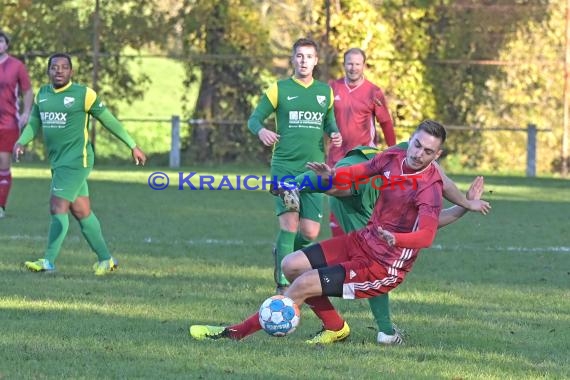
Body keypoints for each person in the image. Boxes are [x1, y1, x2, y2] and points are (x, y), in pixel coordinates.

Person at [189, 120, 486, 344]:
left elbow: (426, 235)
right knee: (291, 265)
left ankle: (235, 333)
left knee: (303, 284)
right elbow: (359, 172)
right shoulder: (393, 158)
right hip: (362, 241)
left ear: (438, 154)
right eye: (417, 145)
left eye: (428, 151)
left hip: (382, 266)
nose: (419, 154)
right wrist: (333, 175)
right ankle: (335, 327)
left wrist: (400, 238)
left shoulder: (428, 189)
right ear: (411, 140)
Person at [274, 143, 489, 344]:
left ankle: (295, 185)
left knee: (334, 190)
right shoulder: (416, 164)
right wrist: (466, 203)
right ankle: (385, 332)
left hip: (359, 168)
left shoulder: (418, 161)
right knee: (372, 263)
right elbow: (444, 186)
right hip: (363, 180)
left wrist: (466, 205)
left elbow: (430, 217)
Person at [13, 53, 146, 275]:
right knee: (81, 210)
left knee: (57, 206)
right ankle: (106, 259)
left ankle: (48, 261)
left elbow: (108, 120)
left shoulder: (84, 94)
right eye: (54, 67)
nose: (59, 71)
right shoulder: (42, 95)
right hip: (58, 162)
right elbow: (34, 123)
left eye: (64, 67)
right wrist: (21, 141)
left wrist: (132, 145)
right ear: (48, 71)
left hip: (77, 160)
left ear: (71, 72)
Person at [247, 37, 342, 293]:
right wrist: (261, 132)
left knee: (310, 233)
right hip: (285, 168)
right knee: (289, 226)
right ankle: (282, 283)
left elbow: (329, 122)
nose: (303, 61)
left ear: (316, 61)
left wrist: (335, 133)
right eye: (299, 56)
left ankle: (285, 255)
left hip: (313, 170)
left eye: (308, 56)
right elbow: (254, 119)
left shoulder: (325, 92)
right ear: (292, 58)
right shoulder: (278, 89)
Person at [327, 48, 396, 236]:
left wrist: (393, 153)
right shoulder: (332, 88)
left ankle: (365, 251)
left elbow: (386, 123)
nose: (353, 68)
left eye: (357, 64)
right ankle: (342, 256)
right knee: (336, 203)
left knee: (363, 205)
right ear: (344, 64)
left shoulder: (373, 91)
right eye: (350, 63)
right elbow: (322, 119)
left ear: (363, 65)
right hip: (337, 157)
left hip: (363, 158)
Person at [0, 30, 34, 218]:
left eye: (1, 41)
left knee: (3, 164)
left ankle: (1, 206)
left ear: (6, 44)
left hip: (7, 124)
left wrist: (26, 112)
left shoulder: (16, 66)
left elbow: (28, 91)